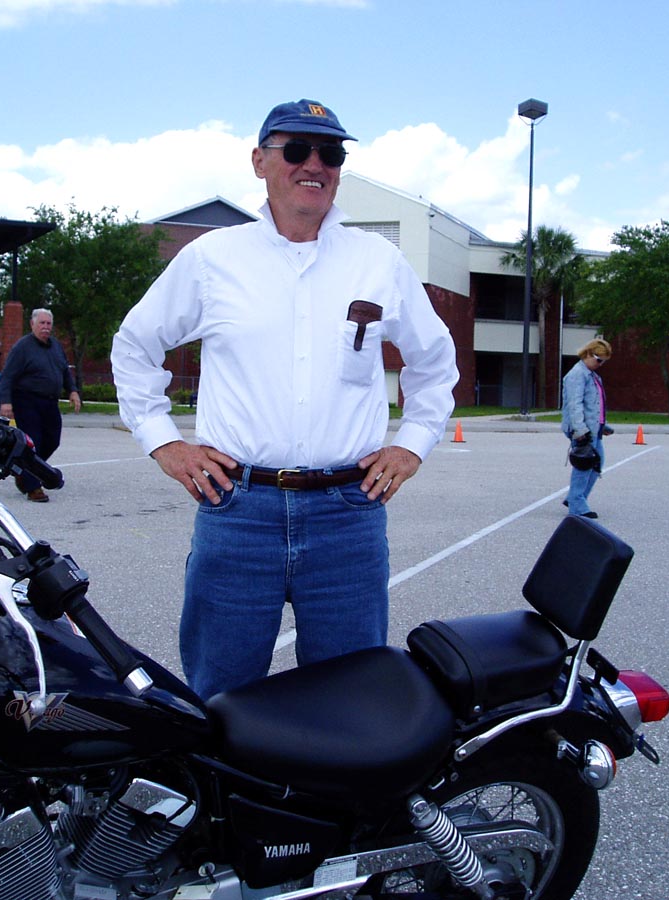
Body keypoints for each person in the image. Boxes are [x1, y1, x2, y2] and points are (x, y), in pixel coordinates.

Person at [111, 98, 459, 699]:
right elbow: (135, 345)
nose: (314, 164)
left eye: (331, 153)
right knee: (221, 694)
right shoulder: (213, 260)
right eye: (296, 149)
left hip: (347, 514)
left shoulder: (378, 262)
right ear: (259, 161)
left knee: (349, 697)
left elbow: (434, 362)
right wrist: (164, 443)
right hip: (238, 511)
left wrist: (411, 445)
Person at [0, 307, 81, 503]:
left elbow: (64, 371)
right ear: (32, 324)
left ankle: (24, 470)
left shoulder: (56, 346)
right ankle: (33, 487)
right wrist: (5, 402)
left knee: (52, 441)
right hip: (27, 400)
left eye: (48, 323)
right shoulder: (22, 347)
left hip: (50, 402)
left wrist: (73, 390)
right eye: (42, 323)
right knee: (33, 442)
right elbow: (7, 376)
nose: (45, 327)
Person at [561, 338, 613, 519]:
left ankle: (575, 498)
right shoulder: (577, 375)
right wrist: (580, 430)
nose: (600, 364)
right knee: (584, 465)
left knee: (596, 464)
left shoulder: (592, 375)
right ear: (589, 354)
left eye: (603, 361)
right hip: (582, 430)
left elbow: (595, 405)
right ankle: (577, 504)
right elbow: (574, 404)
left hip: (593, 428)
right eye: (599, 360)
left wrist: (602, 425)